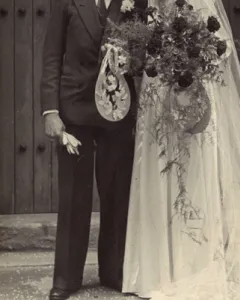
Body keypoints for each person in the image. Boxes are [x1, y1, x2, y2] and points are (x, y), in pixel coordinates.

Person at [122, 0, 240, 299]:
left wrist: (189, 65)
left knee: (192, 176)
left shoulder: (201, 1)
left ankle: (194, 265)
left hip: (191, 90)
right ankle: (153, 269)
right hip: (157, 94)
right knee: (158, 171)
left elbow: (223, 48)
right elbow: (145, 41)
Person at [40, 0, 147, 299]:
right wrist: (50, 111)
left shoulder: (135, 2)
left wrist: (132, 60)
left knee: (117, 193)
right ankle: (66, 278)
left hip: (118, 112)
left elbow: (144, 53)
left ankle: (114, 272)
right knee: (74, 196)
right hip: (74, 112)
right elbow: (51, 56)